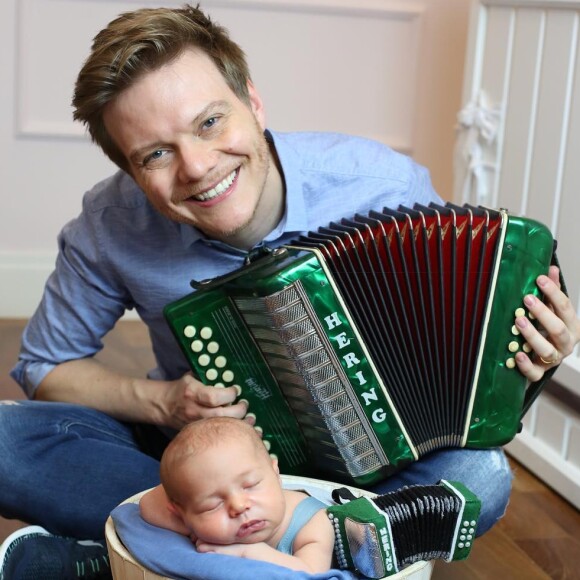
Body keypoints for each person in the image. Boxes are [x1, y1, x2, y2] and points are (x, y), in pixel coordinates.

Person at [1, 4, 578, 579]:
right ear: (130, 170)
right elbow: (45, 366)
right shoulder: (111, 222)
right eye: (155, 153)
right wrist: (164, 403)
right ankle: (331, 550)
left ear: (252, 101)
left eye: (209, 122)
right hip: (202, 477)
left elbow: (463, 353)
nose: (198, 167)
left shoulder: (381, 187)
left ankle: (129, 554)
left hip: (375, 467)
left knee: (481, 478)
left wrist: (534, 355)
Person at [139, 416, 335, 573]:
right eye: (212, 505)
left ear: (275, 474)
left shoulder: (313, 522)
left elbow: (311, 573)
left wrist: (248, 552)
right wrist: (193, 523)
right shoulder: (191, 516)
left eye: (251, 485)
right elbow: (147, 504)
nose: (239, 506)